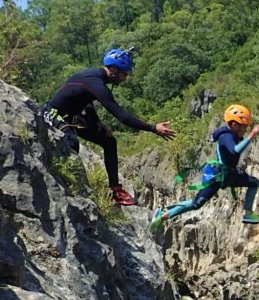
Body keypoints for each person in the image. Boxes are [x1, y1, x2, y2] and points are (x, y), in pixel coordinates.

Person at [42, 47, 175, 206]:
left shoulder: (95, 79)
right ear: (112, 70)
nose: (125, 78)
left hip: (70, 115)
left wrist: (96, 121)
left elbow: (87, 99)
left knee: (109, 141)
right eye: (124, 73)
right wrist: (153, 128)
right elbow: (123, 117)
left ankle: (116, 191)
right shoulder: (95, 82)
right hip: (51, 113)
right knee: (72, 144)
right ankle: (67, 188)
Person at [150, 104, 259, 231]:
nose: (246, 129)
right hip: (216, 175)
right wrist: (251, 136)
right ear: (234, 125)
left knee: (254, 183)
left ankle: (248, 214)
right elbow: (234, 151)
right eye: (244, 126)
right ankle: (162, 215)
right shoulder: (225, 136)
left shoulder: (235, 135)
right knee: (196, 203)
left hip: (229, 173)